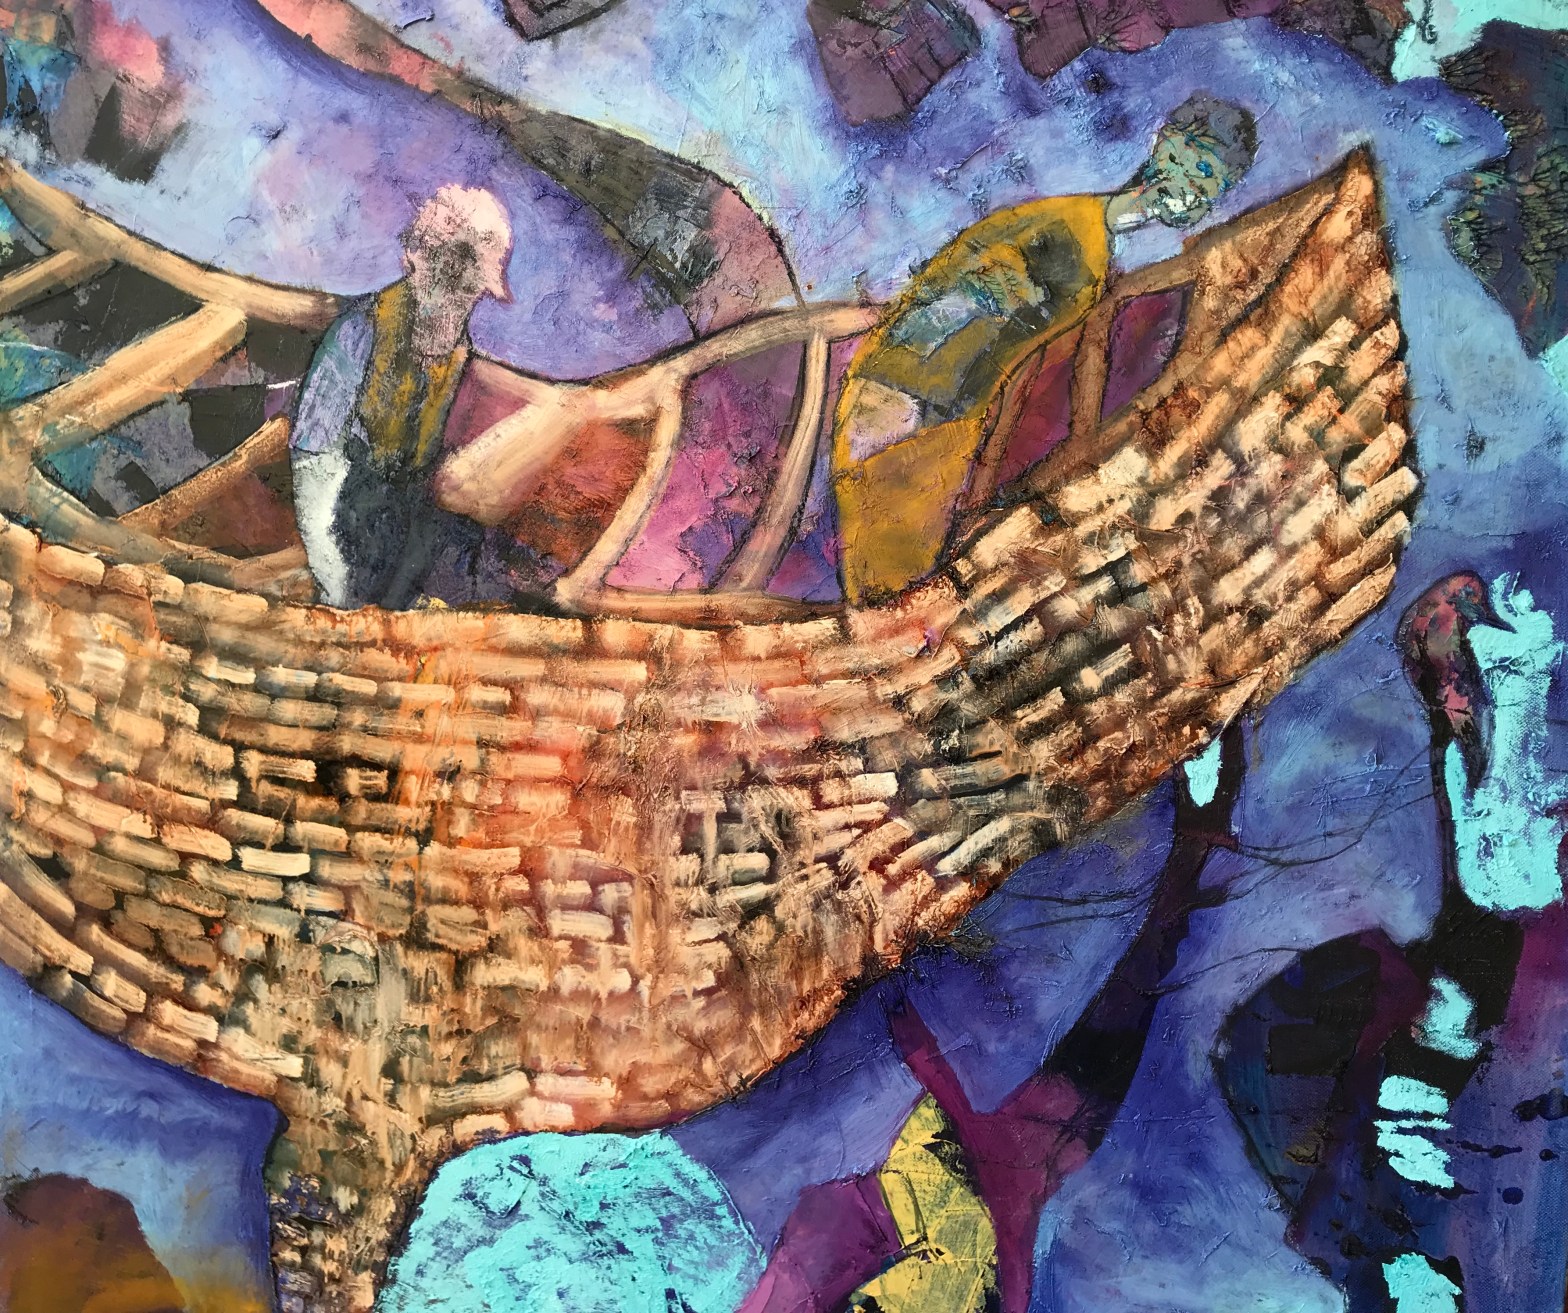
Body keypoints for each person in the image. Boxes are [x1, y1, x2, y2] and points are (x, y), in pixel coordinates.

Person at [832, 92, 1257, 602]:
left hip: (948, 410)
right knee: (886, 577)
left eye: (1212, 190)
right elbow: (958, 294)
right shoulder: (1070, 230)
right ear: (1166, 147)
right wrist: (919, 401)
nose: (1197, 196)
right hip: (912, 396)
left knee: (900, 580)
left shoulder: (1096, 249)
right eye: (1200, 169)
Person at [290, 184, 513, 609]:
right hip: (345, 511)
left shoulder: (462, 359)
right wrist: (334, 581)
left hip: (409, 521)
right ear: (419, 261)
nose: (459, 300)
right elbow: (313, 463)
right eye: (451, 276)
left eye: (471, 290)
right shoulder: (361, 331)